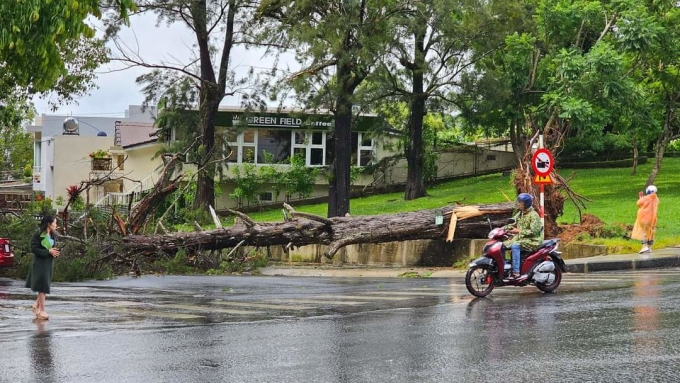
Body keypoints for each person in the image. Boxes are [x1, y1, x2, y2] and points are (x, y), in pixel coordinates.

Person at [25, 215, 60, 320]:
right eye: (55, 222)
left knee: (44, 285)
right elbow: (33, 248)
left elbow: (51, 247)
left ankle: (36, 305)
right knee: (42, 287)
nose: (56, 225)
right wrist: (48, 251)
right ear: (49, 224)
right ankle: (42, 310)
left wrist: (54, 251)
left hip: (48, 263)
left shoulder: (53, 234)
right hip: (39, 263)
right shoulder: (38, 234)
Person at [503, 193, 543, 279]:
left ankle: (516, 272)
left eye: (520, 202)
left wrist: (519, 231)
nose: (518, 204)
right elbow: (512, 223)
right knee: (503, 245)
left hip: (533, 240)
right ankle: (506, 267)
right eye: (518, 202)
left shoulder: (533, 215)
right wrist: (503, 229)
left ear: (526, 204)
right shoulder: (520, 213)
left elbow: (534, 232)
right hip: (521, 238)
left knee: (515, 246)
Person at [631, 185, 659, 254]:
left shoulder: (645, 198)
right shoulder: (657, 199)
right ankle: (649, 247)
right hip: (653, 219)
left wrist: (641, 198)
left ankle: (644, 247)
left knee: (643, 232)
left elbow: (639, 203)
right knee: (651, 232)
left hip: (644, 218)